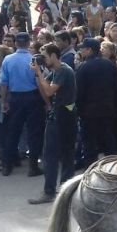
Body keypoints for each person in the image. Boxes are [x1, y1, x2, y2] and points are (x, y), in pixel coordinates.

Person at [28, 43, 77, 204]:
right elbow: (44, 90)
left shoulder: (63, 70)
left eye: (45, 56)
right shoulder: (57, 71)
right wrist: (38, 75)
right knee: (62, 154)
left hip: (64, 115)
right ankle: (63, 191)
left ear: (54, 56)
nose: (42, 60)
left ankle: (53, 191)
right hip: (60, 113)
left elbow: (49, 91)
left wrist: (39, 74)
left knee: (55, 154)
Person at [0, 32, 45, 177]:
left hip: (15, 98)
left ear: (16, 43)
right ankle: (33, 167)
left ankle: (7, 165)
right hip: (32, 97)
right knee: (34, 133)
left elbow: (4, 82)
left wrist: (3, 101)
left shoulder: (8, 59)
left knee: (13, 132)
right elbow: (39, 82)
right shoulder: (33, 59)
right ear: (29, 42)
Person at [75, 38, 117, 166]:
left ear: (89, 50)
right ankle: (112, 168)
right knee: (108, 140)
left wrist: (79, 111)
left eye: (83, 48)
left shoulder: (83, 67)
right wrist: (115, 107)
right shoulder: (109, 64)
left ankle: (91, 169)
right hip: (107, 110)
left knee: (89, 144)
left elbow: (79, 93)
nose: (81, 50)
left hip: (88, 113)